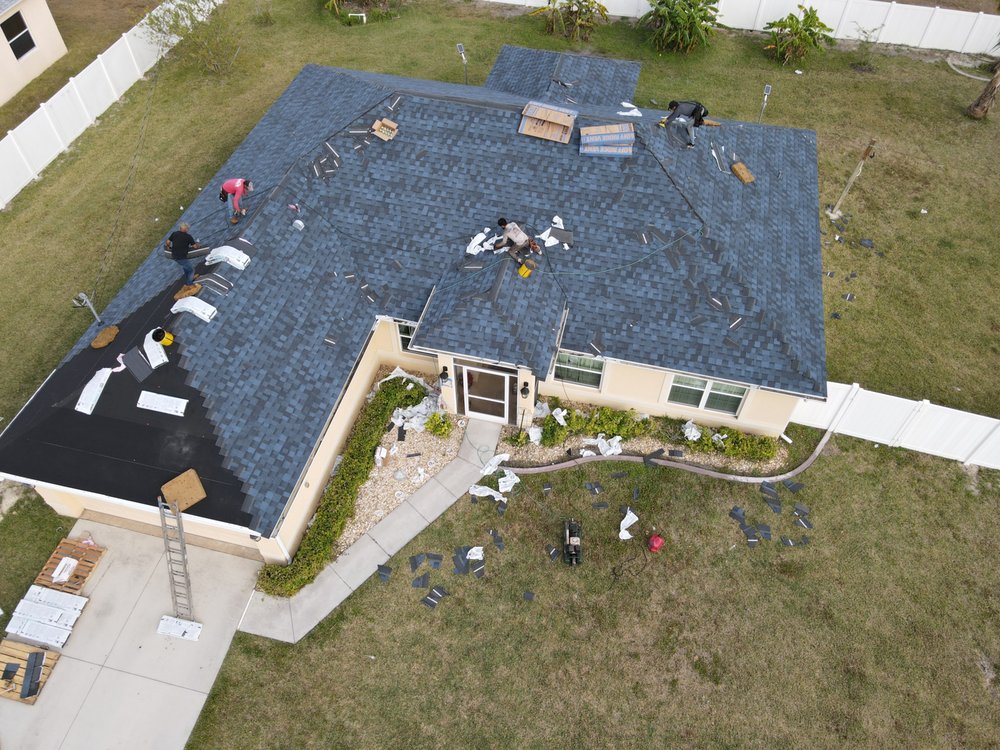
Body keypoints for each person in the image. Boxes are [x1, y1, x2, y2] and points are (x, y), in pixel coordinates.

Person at [166, 223, 202, 288]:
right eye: (188, 228)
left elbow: (168, 242)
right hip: (182, 257)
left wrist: (168, 247)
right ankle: (189, 284)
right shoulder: (188, 237)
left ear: (180, 228)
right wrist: (197, 243)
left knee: (186, 268)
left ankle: (189, 279)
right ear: (186, 229)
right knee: (191, 270)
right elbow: (195, 246)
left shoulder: (174, 233)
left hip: (174, 256)